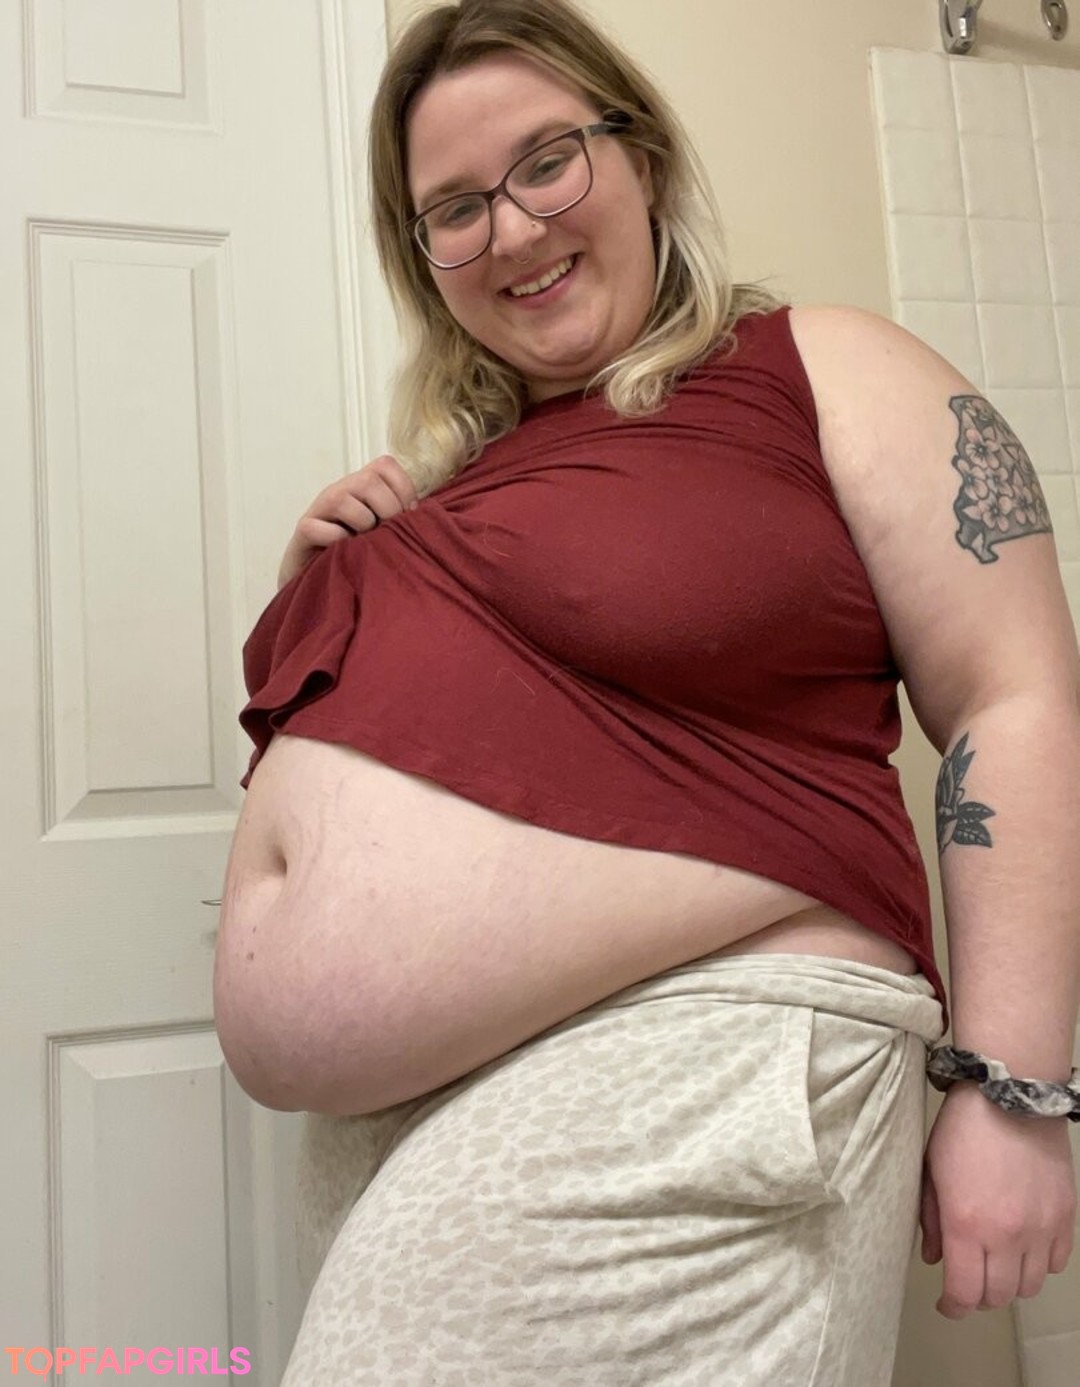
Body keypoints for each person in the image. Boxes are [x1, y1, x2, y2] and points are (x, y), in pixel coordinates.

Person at [212, 0, 1080, 1382]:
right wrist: (341, 590)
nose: (511, 229)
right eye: (454, 209)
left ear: (646, 160)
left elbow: (1015, 698)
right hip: (412, 1117)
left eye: (546, 162)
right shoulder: (444, 477)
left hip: (696, 1053)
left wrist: (1017, 1094)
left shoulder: (819, 367)